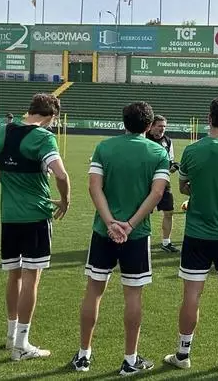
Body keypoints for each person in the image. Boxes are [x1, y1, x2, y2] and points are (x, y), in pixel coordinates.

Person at [73, 102, 170, 375]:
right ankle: (130, 360)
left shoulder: (104, 147)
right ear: (149, 126)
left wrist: (109, 223)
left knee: (93, 291)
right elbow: (157, 194)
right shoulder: (158, 152)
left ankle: (83, 356)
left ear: (123, 122)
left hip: (102, 231)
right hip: (136, 235)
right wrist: (128, 225)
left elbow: (94, 188)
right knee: (133, 295)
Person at [165, 96, 218, 371]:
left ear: (209, 118)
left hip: (197, 233)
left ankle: (183, 355)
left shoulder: (192, 151)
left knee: (192, 294)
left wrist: (198, 190)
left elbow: (183, 187)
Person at [0, 93, 70, 362]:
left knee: (14, 276)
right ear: (51, 116)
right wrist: (65, 200)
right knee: (32, 277)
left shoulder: (2, 131)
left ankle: (12, 336)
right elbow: (61, 174)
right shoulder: (43, 137)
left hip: (9, 216)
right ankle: (21, 344)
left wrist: (12, 178)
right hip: (35, 216)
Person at [146, 115, 180, 253]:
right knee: (144, 213)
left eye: (164, 126)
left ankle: (166, 243)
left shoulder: (167, 141)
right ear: (152, 126)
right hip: (146, 182)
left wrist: (174, 167)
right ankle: (141, 241)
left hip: (163, 182)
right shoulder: (144, 138)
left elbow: (169, 163)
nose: (162, 129)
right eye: (160, 126)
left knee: (169, 212)